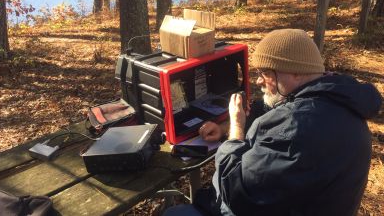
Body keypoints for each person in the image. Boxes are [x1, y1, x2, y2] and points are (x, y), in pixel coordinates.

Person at [163, 29, 382, 216]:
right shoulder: (340, 100)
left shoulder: (296, 129)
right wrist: (224, 128)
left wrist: (236, 131)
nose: (258, 80)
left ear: (296, 72)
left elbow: (234, 191)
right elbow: (274, 111)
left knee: (173, 214)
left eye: (266, 72)